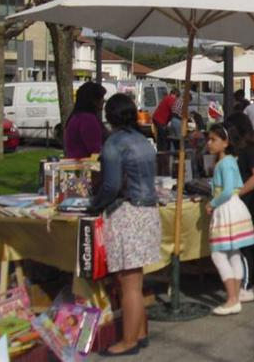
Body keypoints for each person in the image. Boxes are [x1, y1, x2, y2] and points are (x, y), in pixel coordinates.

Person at [91, 94, 159, 356]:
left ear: (110, 116)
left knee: (129, 282)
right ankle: (139, 333)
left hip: (127, 213)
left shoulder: (114, 143)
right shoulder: (142, 140)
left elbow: (110, 185)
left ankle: (129, 340)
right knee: (135, 279)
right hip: (147, 211)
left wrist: (95, 204)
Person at [205, 124, 254, 316]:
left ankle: (233, 297)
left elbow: (226, 191)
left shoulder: (224, 163)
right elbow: (236, 186)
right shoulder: (231, 161)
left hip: (226, 209)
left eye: (213, 140)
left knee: (218, 253)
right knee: (234, 252)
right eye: (209, 139)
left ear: (225, 143)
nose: (209, 143)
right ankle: (236, 294)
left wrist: (212, 203)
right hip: (235, 206)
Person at [223, 112, 254, 300]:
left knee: (247, 243)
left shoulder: (253, 149)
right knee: (243, 243)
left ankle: (250, 283)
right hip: (242, 200)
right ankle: (247, 279)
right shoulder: (238, 149)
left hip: (250, 201)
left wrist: (238, 192)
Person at [64, 82, 107, 158]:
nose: (103, 100)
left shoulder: (75, 117)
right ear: (93, 100)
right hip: (86, 165)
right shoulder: (88, 120)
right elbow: (96, 150)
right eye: (101, 97)